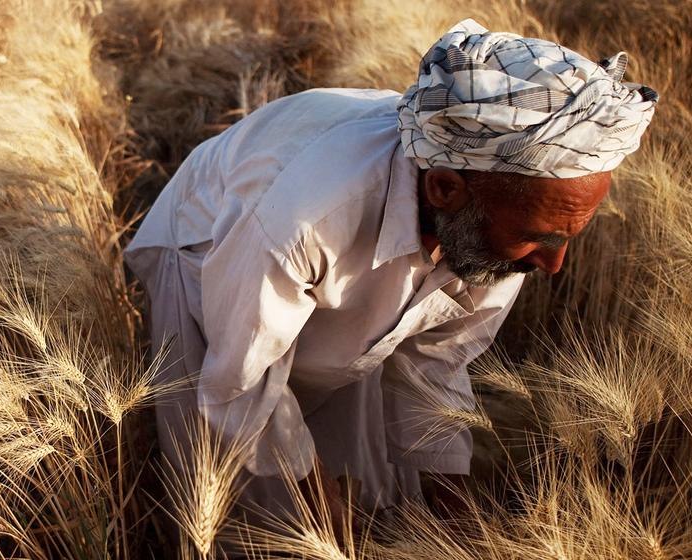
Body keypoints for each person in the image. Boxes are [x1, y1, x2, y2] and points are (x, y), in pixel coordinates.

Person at [124, 19, 658, 527]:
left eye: (566, 238)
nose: (552, 264)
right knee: (240, 482)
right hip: (209, 246)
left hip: (328, 245)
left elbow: (436, 366)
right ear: (445, 190)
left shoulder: (501, 219)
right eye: (541, 239)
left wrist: (461, 525)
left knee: (366, 474)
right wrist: (322, 521)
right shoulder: (304, 219)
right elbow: (244, 379)